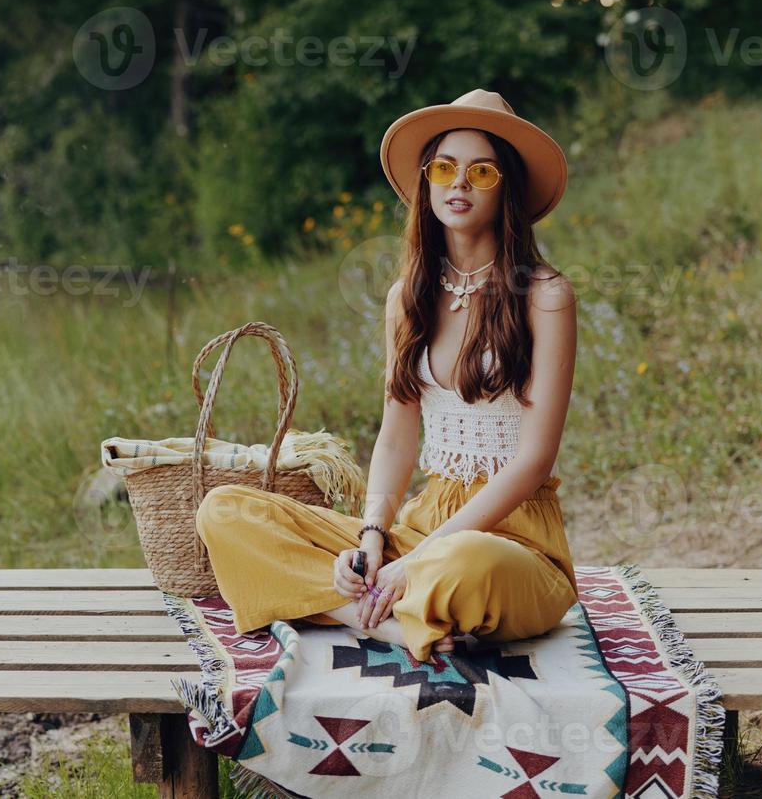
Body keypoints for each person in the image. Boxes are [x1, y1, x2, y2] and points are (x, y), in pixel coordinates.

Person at [195, 88, 580, 664]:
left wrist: (420, 562)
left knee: (462, 565)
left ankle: (372, 600)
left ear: (509, 189)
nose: (460, 184)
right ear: (425, 183)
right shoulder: (407, 299)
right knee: (226, 511)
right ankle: (378, 621)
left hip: (509, 546)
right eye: (444, 168)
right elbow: (397, 434)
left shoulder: (545, 296)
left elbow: (533, 462)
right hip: (420, 528)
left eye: (482, 171)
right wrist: (374, 535)